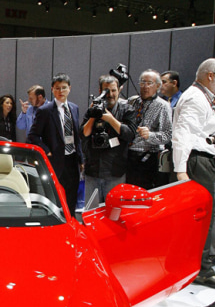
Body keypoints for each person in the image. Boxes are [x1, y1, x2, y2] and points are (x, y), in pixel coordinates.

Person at [171, 58, 215, 297]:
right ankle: (200, 266)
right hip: (196, 162)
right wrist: (181, 169)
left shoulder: (203, 98)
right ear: (210, 76)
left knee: (208, 214)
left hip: (202, 160)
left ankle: (203, 263)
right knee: (201, 215)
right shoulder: (195, 98)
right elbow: (183, 135)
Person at [28, 73, 83, 216]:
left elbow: (78, 136)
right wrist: (47, 151)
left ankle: (70, 223)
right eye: (57, 88)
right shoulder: (45, 111)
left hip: (72, 159)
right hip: (55, 160)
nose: (61, 91)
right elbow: (32, 136)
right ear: (52, 89)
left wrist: (81, 158)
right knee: (54, 198)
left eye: (64, 88)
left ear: (69, 88)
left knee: (72, 197)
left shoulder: (74, 108)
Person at [79, 75, 137, 204]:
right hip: (93, 171)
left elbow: (129, 135)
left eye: (113, 90)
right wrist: (94, 115)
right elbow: (83, 134)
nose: (110, 94)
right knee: (91, 212)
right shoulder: (92, 109)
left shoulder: (127, 110)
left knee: (114, 213)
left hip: (115, 172)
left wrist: (110, 119)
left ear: (119, 90)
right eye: (106, 91)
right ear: (100, 91)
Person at [126, 69, 172, 190]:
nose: (145, 86)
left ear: (157, 86)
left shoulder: (163, 106)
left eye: (149, 83)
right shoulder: (132, 101)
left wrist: (150, 135)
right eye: (142, 82)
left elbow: (168, 135)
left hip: (147, 157)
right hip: (127, 156)